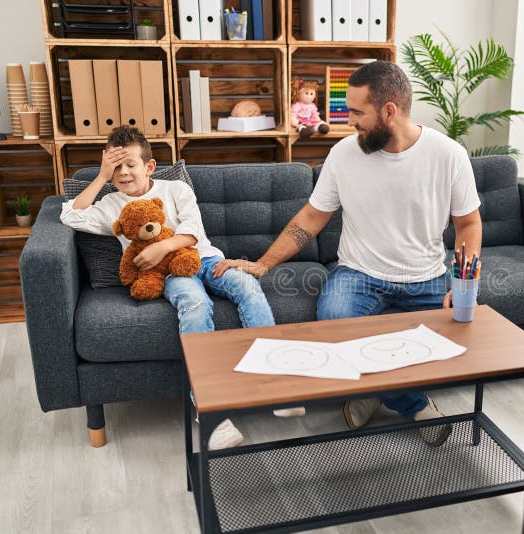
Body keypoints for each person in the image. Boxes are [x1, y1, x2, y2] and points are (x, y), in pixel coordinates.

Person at [215, 60, 483, 445]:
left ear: (389, 111)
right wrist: (263, 263)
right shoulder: (344, 154)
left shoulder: (449, 155)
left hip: (427, 277)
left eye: (357, 112)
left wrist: (463, 280)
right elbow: (310, 217)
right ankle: (416, 406)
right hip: (359, 276)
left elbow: (469, 224)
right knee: (333, 324)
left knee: (463, 339)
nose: (348, 121)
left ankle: (369, 391)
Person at [60, 126, 302, 450]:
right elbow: (70, 216)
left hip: (206, 259)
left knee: (247, 287)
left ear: (149, 166)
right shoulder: (111, 205)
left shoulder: (175, 189)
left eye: (129, 164)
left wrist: (162, 247)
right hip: (173, 275)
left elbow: (192, 229)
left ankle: (276, 384)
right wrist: (101, 177)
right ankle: (210, 410)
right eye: (115, 166)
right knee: (195, 305)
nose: (123, 172)